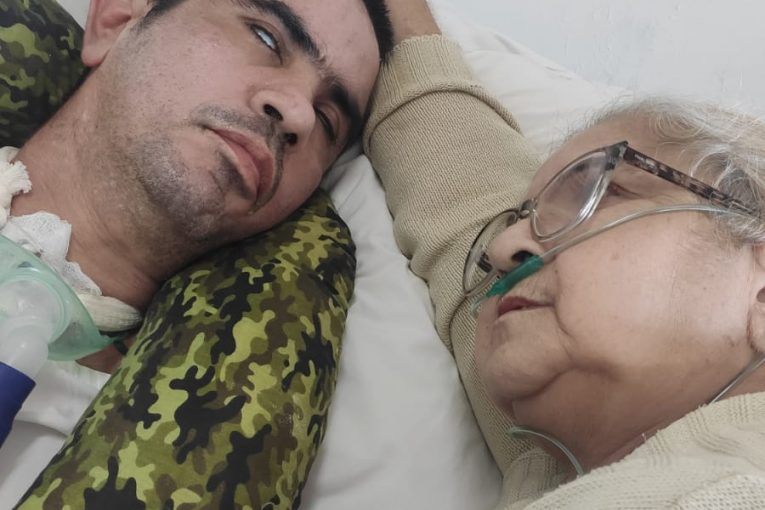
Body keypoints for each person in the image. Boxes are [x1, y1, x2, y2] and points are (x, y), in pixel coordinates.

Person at [367, 1, 765, 508]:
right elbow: (459, 190)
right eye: (513, 224)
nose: (503, 249)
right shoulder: (558, 465)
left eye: (596, 191)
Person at [4, 0, 392, 372]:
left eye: (327, 120)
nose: (299, 115)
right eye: (265, 37)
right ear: (116, 19)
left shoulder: (167, 407)